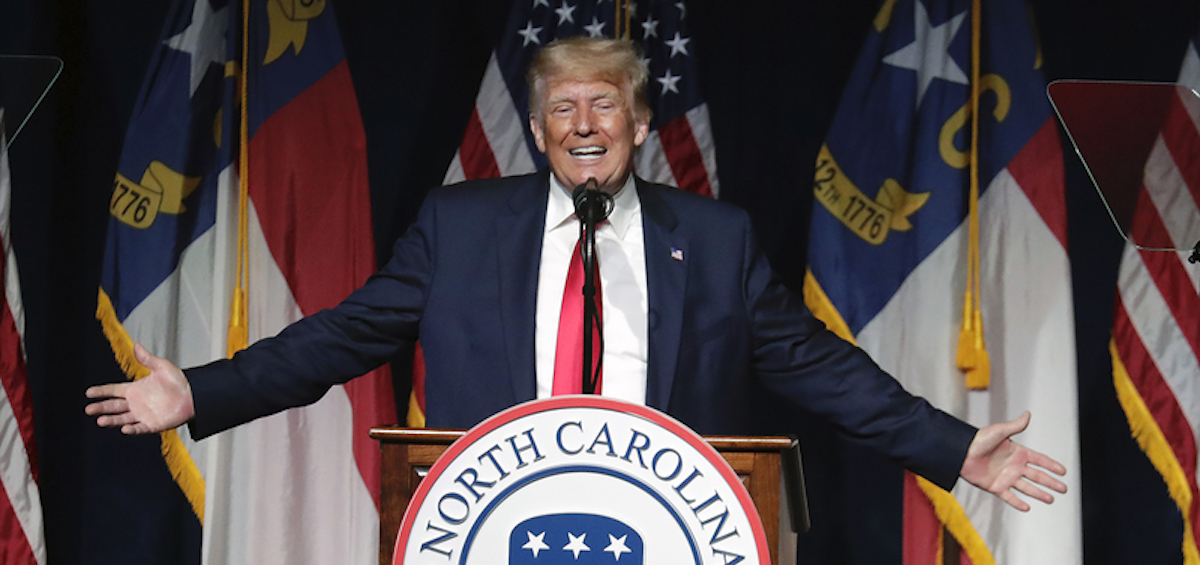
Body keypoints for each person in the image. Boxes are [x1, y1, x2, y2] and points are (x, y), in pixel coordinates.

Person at [86, 37, 1066, 512]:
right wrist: (200, 391)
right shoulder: (460, 226)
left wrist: (950, 446)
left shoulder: (715, 239)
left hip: (669, 536)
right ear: (540, 128)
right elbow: (339, 338)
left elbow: (817, 366)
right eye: (561, 108)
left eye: (604, 105)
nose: (583, 123)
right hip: (489, 532)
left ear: (640, 126)